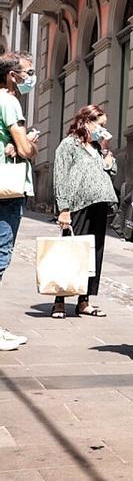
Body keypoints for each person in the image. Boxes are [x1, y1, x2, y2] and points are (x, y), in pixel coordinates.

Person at [52, 105, 118, 319]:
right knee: (70, 251)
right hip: (77, 205)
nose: (102, 129)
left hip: (99, 204)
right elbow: (60, 176)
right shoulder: (69, 145)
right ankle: (59, 301)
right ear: (87, 122)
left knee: (93, 253)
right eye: (100, 124)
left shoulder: (98, 148)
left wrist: (106, 148)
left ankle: (84, 300)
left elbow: (110, 170)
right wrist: (63, 208)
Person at [0, 52, 37, 351]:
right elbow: (25, 149)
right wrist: (29, 143)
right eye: (28, 72)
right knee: (0, 256)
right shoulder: (10, 101)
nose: (31, 78)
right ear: (12, 75)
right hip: (7, 190)